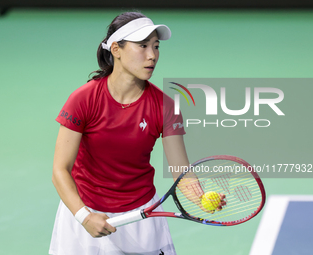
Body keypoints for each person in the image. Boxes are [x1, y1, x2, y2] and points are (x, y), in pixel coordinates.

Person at [49, 11, 220, 255]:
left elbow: (181, 173)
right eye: (142, 46)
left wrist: (201, 197)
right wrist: (83, 215)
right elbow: (59, 170)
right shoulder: (84, 99)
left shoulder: (165, 107)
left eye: (156, 46)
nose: (152, 55)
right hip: (83, 216)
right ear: (116, 49)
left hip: (140, 220)